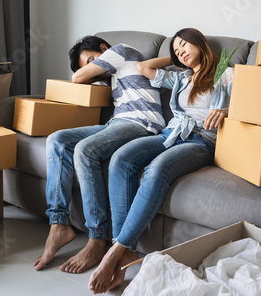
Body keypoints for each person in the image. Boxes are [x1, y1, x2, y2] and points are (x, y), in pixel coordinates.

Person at [88, 28, 235, 293]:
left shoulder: (227, 73)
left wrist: (225, 110)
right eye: (176, 49)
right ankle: (129, 251)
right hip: (171, 132)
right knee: (121, 159)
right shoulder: (181, 77)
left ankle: (116, 250)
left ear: (200, 43)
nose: (180, 51)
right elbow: (143, 67)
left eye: (184, 45)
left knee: (157, 169)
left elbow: (255, 104)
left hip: (201, 140)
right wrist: (174, 58)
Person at [33, 36, 165, 274]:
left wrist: (88, 72)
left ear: (104, 49)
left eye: (92, 60)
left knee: (85, 150)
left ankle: (96, 238)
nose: (93, 68)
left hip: (143, 123)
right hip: (117, 123)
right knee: (57, 140)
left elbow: (76, 78)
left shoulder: (121, 51)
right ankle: (58, 224)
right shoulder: (113, 76)